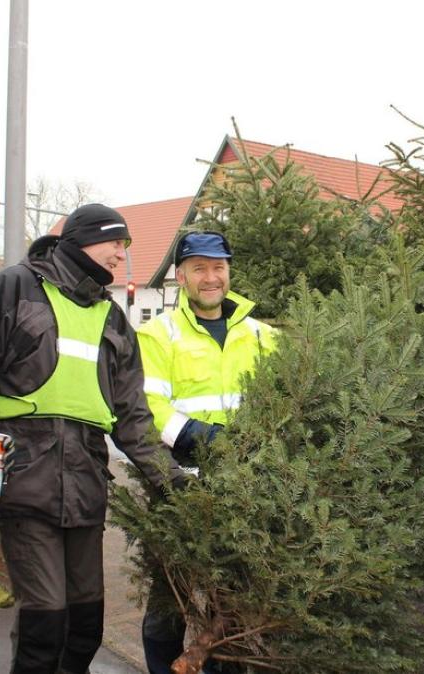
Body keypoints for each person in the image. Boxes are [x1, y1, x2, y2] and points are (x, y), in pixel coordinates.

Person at [0, 203, 188, 674]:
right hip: (25, 483)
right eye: (116, 242)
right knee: (44, 625)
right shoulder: (16, 288)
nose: (121, 254)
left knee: (85, 627)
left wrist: (173, 482)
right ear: (85, 238)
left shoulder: (112, 319)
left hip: (86, 488)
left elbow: (133, 418)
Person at [135, 231, 277, 674]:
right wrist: (205, 439)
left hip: (245, 485)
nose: (211, 277)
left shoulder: (262, 335)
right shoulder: (158, 334)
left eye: (218, 267)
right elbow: (148, 407)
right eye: (199, 268)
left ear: (229, 272)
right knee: (168, 598)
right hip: (178, 482)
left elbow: (285, 399)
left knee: (230, 601)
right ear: (181, 277)